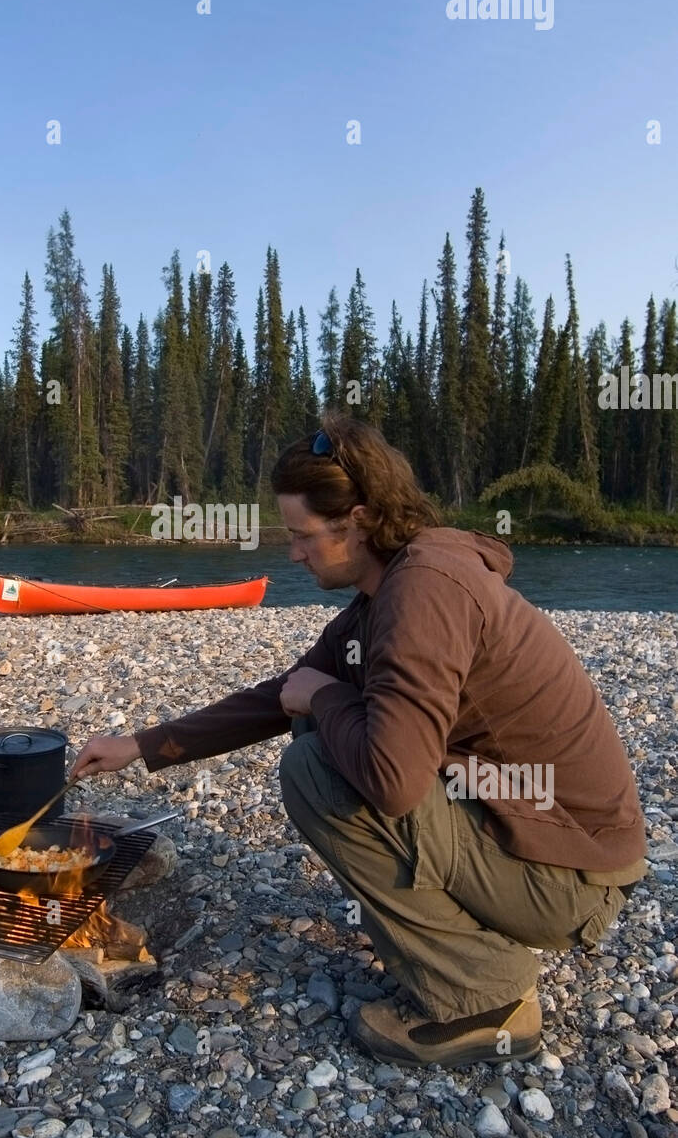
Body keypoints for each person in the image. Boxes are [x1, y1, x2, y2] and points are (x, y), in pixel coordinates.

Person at [71, 415, 647, 1068]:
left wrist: (324, 698)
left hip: (572, 879)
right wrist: (140, 746)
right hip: (552, 842)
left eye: (301, 536)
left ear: (358, 522)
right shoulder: (396, 588)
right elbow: (282, 691)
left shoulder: (423, 594)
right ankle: (467, 945)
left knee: (314, 766)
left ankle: (485, 998)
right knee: (324, 721)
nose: (293, 554)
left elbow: (392, 781)